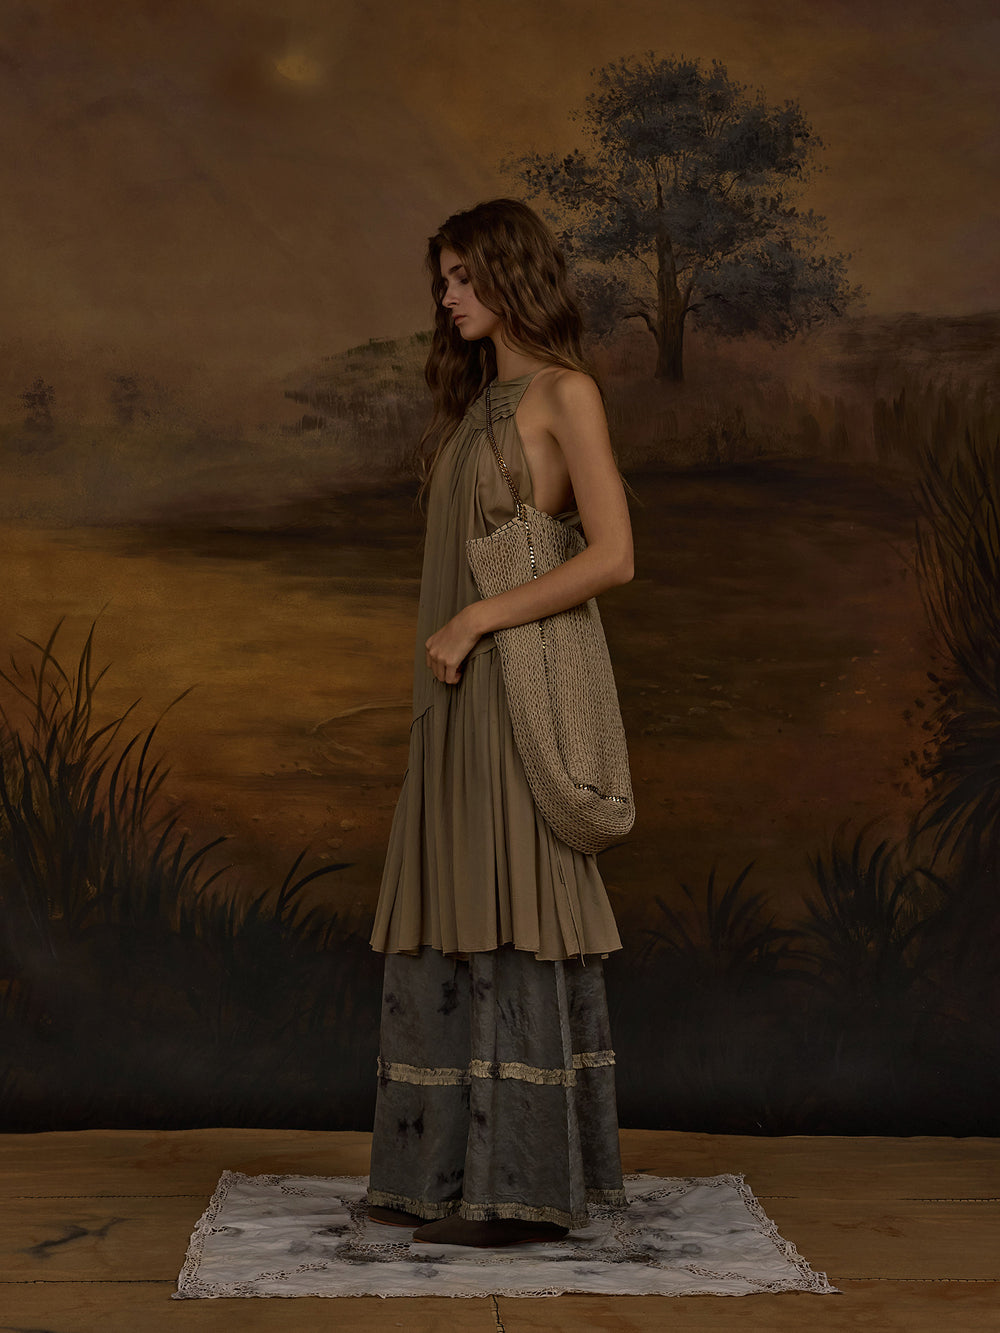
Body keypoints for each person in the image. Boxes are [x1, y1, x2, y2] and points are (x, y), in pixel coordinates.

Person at [366, 197, 634, 1247]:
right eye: (442, 280)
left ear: (514, 275)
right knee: (451, 897)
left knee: (513, 898)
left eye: (465, 276)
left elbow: (612, 554)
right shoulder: (477, 402)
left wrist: (478, 616)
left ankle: (518, 1189)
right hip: (451, 701)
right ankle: (436, 1176)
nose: (448, 296)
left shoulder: (567, 392)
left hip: (516, 688)